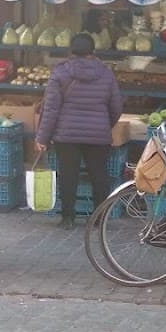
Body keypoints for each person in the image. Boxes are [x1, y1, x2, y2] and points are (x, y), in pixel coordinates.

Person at [35, 32, 123, 228]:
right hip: (98, 134)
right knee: (99, 176)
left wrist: (42, 137)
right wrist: (104, 124)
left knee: (68, 175)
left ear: (71, 51)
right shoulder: (106, 73)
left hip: (66, 135)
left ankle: (68, 218)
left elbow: (51, 109)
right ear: (93, 51)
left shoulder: (60, 72)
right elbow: (116, 106)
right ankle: (100, 218)